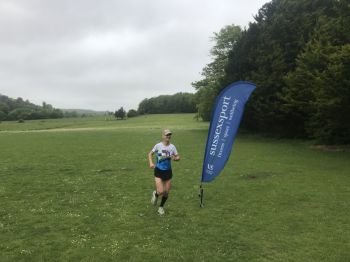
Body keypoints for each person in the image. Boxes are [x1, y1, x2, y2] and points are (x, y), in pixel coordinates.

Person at [148, 129, 180, 215]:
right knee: (161, 191)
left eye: (169, 135)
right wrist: (151, 163)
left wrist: (175, 158)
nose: (168, 136)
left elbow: (178, 157)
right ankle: (156, 194)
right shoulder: (158, 145)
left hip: (168, 172)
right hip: (158, 170)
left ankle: (161, 207)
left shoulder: (172, 147)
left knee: (166, 192)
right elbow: (150, 154)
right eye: (166, 135)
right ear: (163, 136)